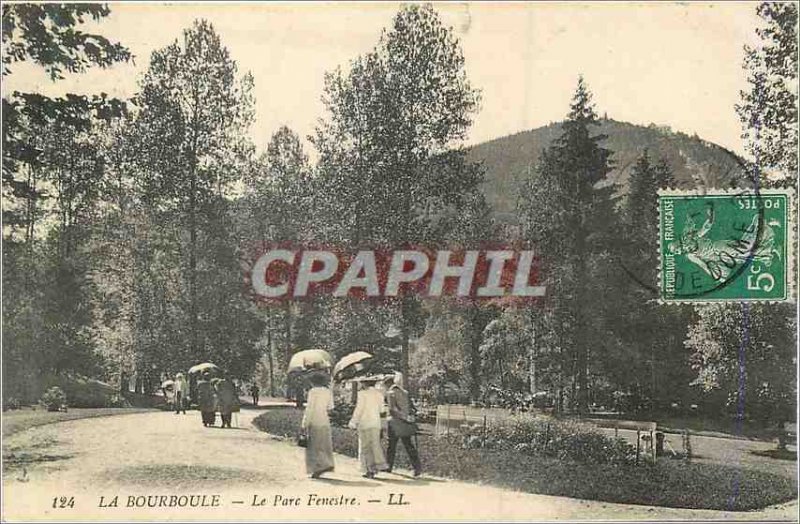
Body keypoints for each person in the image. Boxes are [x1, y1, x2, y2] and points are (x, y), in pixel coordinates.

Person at [348, 377, 388, 479]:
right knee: (374, 445)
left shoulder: (362, 394)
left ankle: (368, 469)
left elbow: (359, 409)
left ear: (364, 383)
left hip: (365, 423)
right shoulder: (379, 394)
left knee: (365, 447)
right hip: (375, 423)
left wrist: (353, 421)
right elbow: (382, 409)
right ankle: (374, 468)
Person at [384, 372, 421, 476]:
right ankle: (417, 467)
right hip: (406, 422)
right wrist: (408, 417)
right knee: (409, 445)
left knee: (391, 445)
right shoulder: (405, 392)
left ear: (387, 384)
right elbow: (412, 408)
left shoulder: (390, 393)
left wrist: (400, 416)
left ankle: (388, 466)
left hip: (395, 422)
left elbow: (392, 409)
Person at [301, 373, 335, 479]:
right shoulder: (328, 392)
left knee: (314, 445)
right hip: (325, 420)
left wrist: (304, 423)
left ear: (313, 382)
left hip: (315, 420)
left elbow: (309, 409)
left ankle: (317, 468)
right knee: (324, 444)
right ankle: (326, 463)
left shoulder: (313, 392)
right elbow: (330, 407)